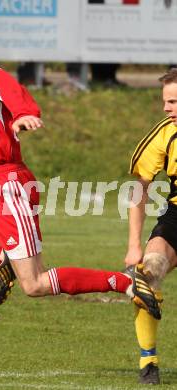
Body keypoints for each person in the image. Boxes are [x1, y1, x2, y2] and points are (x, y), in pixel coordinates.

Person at [0, 20, 160, 317]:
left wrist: (25, 112)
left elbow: (5, 84)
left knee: (35, 283)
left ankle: (125, 282)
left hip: (5, 185)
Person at [124, 67, 177, 385]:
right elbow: (139, 187)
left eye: (173, 102)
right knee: (148, 271)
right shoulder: (165, 133)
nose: (166, 108)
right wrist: (134, 246)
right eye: (165, 101)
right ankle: (149, 362)